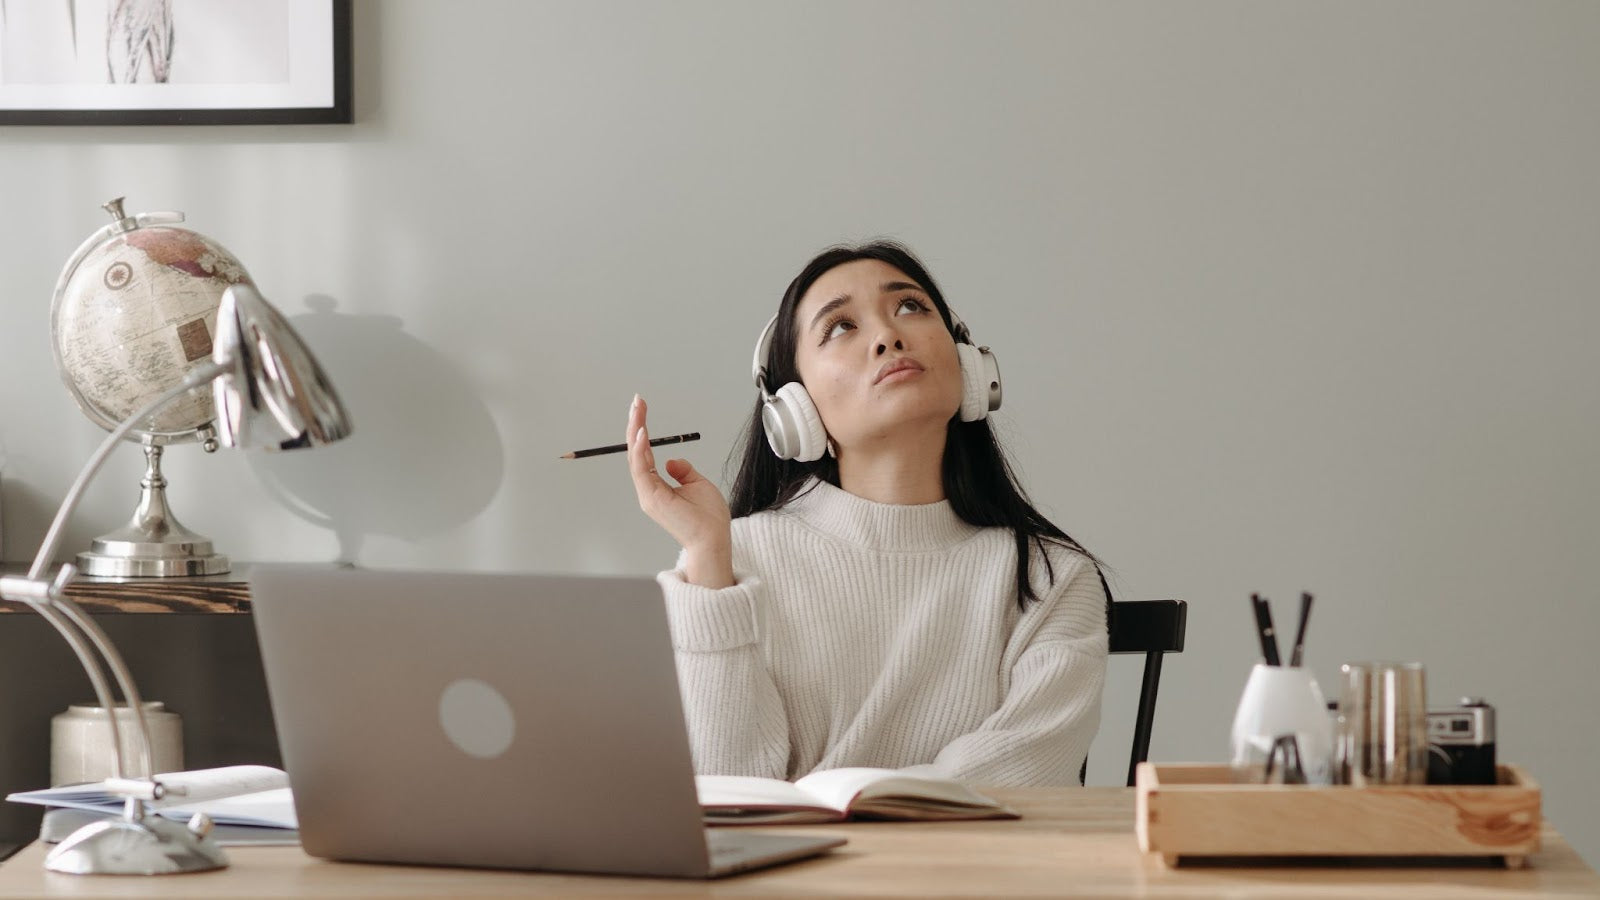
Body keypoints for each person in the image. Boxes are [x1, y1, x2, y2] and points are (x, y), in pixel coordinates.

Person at [626, 240, 1109, 787]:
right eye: (840, 327)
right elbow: (724, 791)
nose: (888, 336)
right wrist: (709, 560)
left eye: (910, 307)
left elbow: (1021, 777)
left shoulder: (1053, 579)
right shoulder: (734, 560)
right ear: (794, 411)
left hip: (969, 871)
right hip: (781, 873)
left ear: (969, 365)